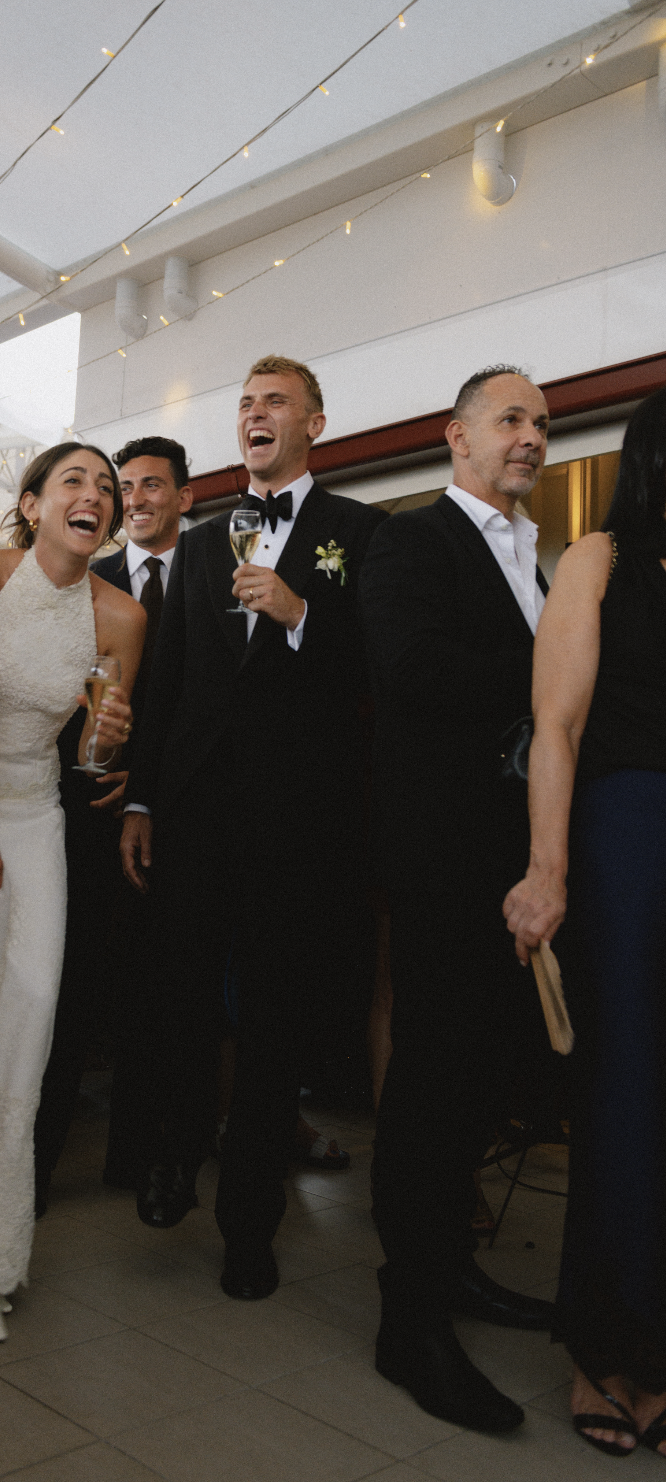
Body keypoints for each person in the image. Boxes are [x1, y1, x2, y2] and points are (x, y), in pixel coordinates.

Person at [120, 354, 383, 1300]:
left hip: (297, 821)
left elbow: (377, 669)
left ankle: (249, 1224)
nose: (255, 414)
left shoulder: (358, 530)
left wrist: (304, 612)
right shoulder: (197, 546)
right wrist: (144, 798)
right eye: (245, 404)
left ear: (315, 420)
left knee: (273, 1020)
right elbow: (168, 685)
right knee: (180, 998)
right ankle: (172, 1157)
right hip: (193, 812)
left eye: (274, 402)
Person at [359, 365, 558, 1435]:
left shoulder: (546, 558)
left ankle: (453, 1270)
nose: (532, 437)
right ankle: (409, 1314)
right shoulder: (410, 541)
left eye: (543, 424)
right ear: (458, 436)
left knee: (485, 1075)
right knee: (433, 1078)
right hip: (440, 857)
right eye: (513, 419)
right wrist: (553, 672)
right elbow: (413, 669)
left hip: (521, 860)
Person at [0, 442, 144, 1341]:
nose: (96, 496)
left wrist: (111, 738)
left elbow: (92, 759)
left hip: (38, 821)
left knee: (30, 1016)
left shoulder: (121, 618)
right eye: (76, 481)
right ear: (33, 501)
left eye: (108, 488)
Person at [504, 386, 666, 1458]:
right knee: (627, 1094)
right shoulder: (599, 559)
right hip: (628, 833)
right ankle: (602, 1349)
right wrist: (547, 867)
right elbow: (555, 728)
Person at [34, 435, 194, 1209]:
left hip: (177, 812)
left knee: (157, 989)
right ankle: (37, 1156)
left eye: (147, 486)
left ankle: (138, 1154)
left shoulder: (215, 575)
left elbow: (202, 702)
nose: (132, 499)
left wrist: (150, 780)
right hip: (80, 808)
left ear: (183, 497)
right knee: (75, 982)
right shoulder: (85, 578)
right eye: (121, 486)